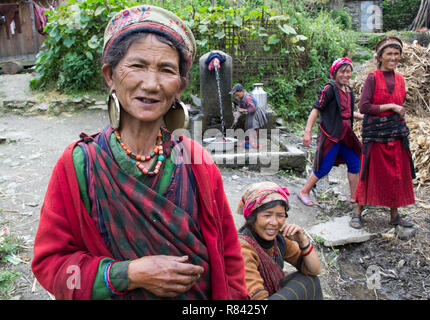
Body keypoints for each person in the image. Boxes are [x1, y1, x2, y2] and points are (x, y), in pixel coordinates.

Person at [31, 5, 249, 300]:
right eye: (137, 65)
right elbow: (51, 267)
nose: (151, 84)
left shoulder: (197, 161)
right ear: (110, 75)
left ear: (180, 85)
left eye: (167, 70)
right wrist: (128, 274)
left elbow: (229, 257)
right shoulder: (78, 164)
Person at [350, 36, 415, 229]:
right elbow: (364, 107)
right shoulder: (372, 78)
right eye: (389, 54)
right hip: (376, 135)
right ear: (380, 56)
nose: (393, 57)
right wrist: (391, 106)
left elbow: (400, 103)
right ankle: (357, 212)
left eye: (396, 54)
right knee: (367, 171)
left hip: (395, 134)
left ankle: (394, 214)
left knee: (396, 173)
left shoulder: (401, 80)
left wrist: (395, 110)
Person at [237, 182, 322, 300]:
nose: (274, 222)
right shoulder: (243, 248)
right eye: (267, 215)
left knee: (310, 280)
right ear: (252, 217)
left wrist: (302, 241)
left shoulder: (279, 239)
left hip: (270, 292)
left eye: (280, 215)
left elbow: (314, 270)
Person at [297, 58, 363, 206]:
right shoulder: (329, 88)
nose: (345, 75)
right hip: (331, 135)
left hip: (346, 135)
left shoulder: (349, 90)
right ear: (335, 73)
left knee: (355, 163)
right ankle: (304, 191)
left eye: (348, 71)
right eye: (342, 71)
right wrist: (307, 132)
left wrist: (362, 116)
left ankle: (355, 197)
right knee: (323, 167)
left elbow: (346, 112)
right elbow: (316, 109)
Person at [230, 83, 268, 149]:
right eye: (236, 96)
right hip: (250, 113)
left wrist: (245, 110)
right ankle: (248, 141)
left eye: (238, 95)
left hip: (255, 113)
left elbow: (252, 108)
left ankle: (253, 143)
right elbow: (241, 107)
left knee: (252, 127)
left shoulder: (247, 97)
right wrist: (237, 112)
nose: (237, 97)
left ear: (242, 91)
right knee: (248, 126)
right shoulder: (241, 98)